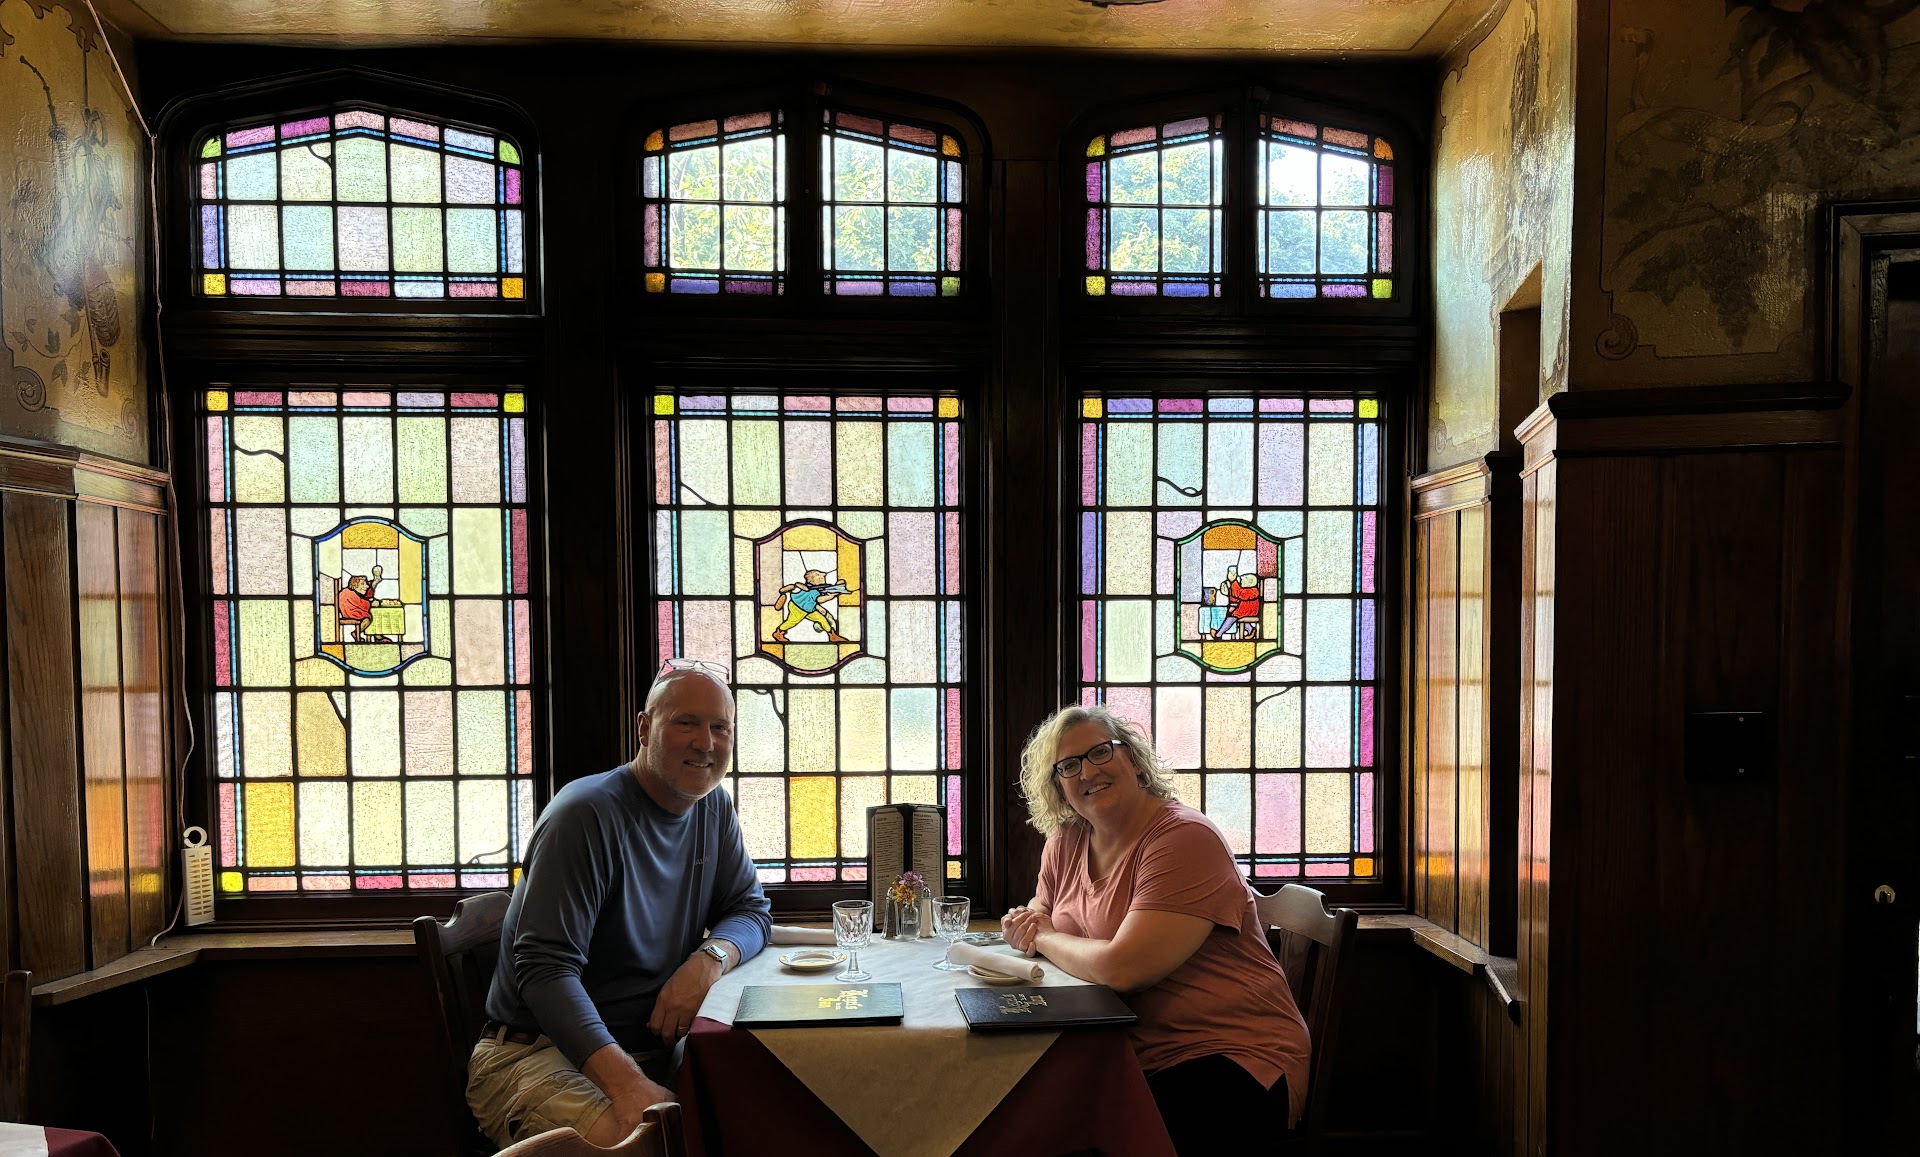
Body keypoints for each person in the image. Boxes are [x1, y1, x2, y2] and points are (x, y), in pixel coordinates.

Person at [467, 659, 771, 1147]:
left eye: (721, 728)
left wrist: (708, 959)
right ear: (644, 729)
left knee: (767, 1111)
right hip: (535, 1056)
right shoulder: (584, 815)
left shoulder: (712, 806)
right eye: (686, 723)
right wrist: (628, 1085)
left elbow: (750, 911)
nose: (706, 743)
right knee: (657, 1143)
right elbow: (545, 971)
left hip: (645, 1051)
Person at [1000, 704, 1310, 1155]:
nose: (1088, 772)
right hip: (1128, 1052)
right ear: (1058, 786)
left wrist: (1043, 937)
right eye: (1069, 765)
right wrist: (1028, 922)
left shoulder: (1184, 839)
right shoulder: (1066, 841)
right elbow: (1042, 907)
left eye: (1100, 752)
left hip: (1232, 1055)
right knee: (1027, 1111)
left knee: (1063, 1133)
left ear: (1132, 757)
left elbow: (1124, 969)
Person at [770, 568, 851, 642]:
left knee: (822, 619)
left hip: (808, 609)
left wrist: (832, 594)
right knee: (792, 622)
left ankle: (832, 636)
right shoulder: (804, 588)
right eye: (818, 575)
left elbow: (816, 600)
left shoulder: (818, 590)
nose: (823, 576)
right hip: (797, 608)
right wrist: (829, 597)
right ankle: (778, 633)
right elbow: (818, 599)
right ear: (811, 579)